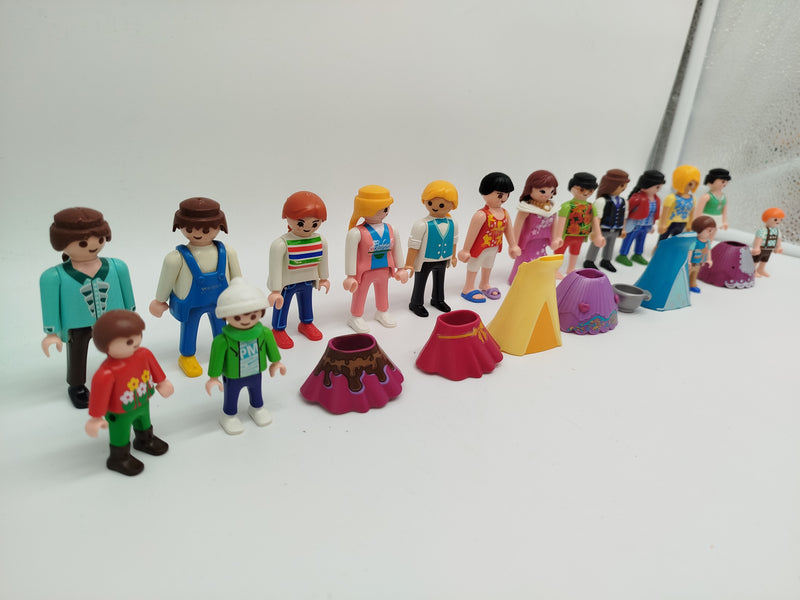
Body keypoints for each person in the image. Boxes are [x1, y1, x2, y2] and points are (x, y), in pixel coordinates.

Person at [40, 207, 135, 408]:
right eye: (82, 243)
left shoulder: (117, 267)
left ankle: (121, 376)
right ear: (61, 243)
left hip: (113, 322)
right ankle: (77, 386)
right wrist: (51, 333)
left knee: (119, 350)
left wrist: (130, 316)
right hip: (77, 326)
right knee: (77, 354)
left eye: (99, 239)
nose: (93, 246)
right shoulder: (54, 276)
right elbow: (50, 304)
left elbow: (128, 296)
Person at [149, 197, 242, 377]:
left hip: (220, 301)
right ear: (180, 227)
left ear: (220, 227)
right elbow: (167, 280)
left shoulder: (227, 252)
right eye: (190, 229)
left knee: (222, 328)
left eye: (206, 229)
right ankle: (187, 356)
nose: (198, 234)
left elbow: (237, 277)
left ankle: (223, 351)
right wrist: (159, 300)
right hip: (191, 304)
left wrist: (240, 295)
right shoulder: (176, 258)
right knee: (189, 329)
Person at [85, 310, 173, 476]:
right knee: (120, 432)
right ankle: (119, 457)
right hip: (120, 412)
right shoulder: (107, 372)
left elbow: (155, 369)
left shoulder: (144, 354)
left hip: (142, 401)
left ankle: (145, 440)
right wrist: (96, 418)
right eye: (129, 341)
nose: (136, 343)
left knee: (144, 421)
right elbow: (99, 394)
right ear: (106, 345)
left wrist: (162, 382)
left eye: (138, 336)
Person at [206, 278, 285, 435]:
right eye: (237, 317)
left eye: (252, 316)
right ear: (226, 316)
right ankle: (228, 415)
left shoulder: (264, 333)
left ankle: (257, 408)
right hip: (233, 376)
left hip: (255, 371)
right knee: (231, 396)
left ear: (260, 312)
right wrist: (213, 377)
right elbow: (217, 358)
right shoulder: (223, 340)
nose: (245, 321)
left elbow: (271, 348)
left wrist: (276, 362)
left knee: (256, 391)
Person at [342, 185, 409, 333]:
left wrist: (401, 268)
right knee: (360, 293)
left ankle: (382, 311)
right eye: (381, 208)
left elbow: (397, 249)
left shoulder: (391, 229)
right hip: (364, 272)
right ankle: (356, 316)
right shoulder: (356, 232)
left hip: (384, 269)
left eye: (386, 208)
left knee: (383, 291)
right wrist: (350, 276)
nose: (384, 212)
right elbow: (350, 255)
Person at [268, 191, 329, 349]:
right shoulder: (281, 244)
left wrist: (323, 278)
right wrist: (275, 290)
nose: (308, 228)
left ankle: (306, 323)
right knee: (282, 305)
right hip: (287, 284)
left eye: (314, 223)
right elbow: (275, 268)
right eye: (301, 223)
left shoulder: (320, 240)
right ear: (288, 218)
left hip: (308, 280)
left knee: (307, 303)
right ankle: (278, 329)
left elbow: (322, 260)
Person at [458, 172, 520, 302]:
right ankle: (468, 288)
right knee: (474, 265)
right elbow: (471, 233)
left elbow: (508, 230)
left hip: (494, 247)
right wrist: (466, 250)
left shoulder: (505, 213)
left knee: (488, 265)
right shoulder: (481, 215)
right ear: (486, 192)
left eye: (507, 195)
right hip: (479, 248)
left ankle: (484, 284)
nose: (504, 198)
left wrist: (513, 245)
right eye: (500, 195)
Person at [403, 180, 459, 317]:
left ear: (452, 205)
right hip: (425, 260)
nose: (435, 207)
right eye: (430, 203)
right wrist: (409, 264)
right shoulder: (421, 224)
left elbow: (453, 241)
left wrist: (453, 256)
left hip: (443, 259)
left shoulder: (453, 223)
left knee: (440, 281)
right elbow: (414, 245)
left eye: (441, 205)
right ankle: (416, 303)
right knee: (420, 282)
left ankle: (438, 300)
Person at [508, 170, 559, 284]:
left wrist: (555, 239)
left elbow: (554, 223)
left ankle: (537, 280)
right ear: (530, 189)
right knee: (525, 262)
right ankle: (519, 282)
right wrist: (513, 245)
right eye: (542, 191)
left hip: (542, 242)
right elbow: (517, 228)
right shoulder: (526, 208)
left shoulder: (552, 207)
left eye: (551, 191)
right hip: (528, 243)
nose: (547, 195)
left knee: (541, 261)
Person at [552, 172, 604, 275]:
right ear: (572, 188)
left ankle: (571, 268)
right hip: (566, 236)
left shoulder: (591, 207)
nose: (586, 193)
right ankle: (555, 269)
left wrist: (598, 235)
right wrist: (558, 237)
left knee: (575, 252)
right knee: (559, 252)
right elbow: (561, 222)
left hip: (580, 236)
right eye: (581, 189)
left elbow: (595, 221)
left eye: (590, 190)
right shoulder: (567, 206)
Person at [616, 170, 666, 266]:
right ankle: (623, 255)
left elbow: (652, 214)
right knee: (629, 239)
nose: (659, 189)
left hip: (645, 225)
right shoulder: (637, 198)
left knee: (641, 240)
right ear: (647, 185)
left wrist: (651, 226)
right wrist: (623, 225)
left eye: (660, 186)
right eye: (657, 186)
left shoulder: (656, 199)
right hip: (634, 225)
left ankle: (638, 254)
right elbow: (626, 211)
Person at [584, 169, 630, 272]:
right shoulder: (601, 201)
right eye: (621, 185)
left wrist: (623, 229)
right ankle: (589, 261)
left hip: (615, 229)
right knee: (596, 244)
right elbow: (596, 218)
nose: (623, 188)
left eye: (624, 186)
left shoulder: (624, 202)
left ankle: (606, 260)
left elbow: (624, 216)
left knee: (610, 245)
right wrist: (595, 232)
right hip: (602, 229)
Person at [657, 165, 701, 242]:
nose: (693, 185)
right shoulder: (671, 198)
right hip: (670, 223)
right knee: (663, 239)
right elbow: (665, 213)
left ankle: (673, 249)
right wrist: (662, 224)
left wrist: (689, 225)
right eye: (690, 183)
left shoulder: (693, 199)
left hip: (683, 223)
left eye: (695, 183)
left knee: (676, 241)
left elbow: (691, 213)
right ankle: (659, 248)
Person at [751, 207, 785, 277]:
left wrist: (778, 247)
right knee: (756, 260)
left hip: (769, 249)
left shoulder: (777, 231)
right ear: (767, 218)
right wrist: (756, 247)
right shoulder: (762, 230)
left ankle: (760, 269)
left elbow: (778, 239)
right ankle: (752, 270)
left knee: (765, 260)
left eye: (780, 219)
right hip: (761, 248)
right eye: (775, 219)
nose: (778, 221)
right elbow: (758, 239)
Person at [689, 216, 716, 293]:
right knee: (688, 274)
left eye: (712, 231)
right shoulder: (695, 241)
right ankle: (682, 285)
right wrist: (688, 261)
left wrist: (709, 259)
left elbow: (708, 250)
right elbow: (690, 251)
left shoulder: (707, 242)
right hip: (692, 263)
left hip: (699, 263)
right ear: (699, 229)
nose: (711, 233)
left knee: (695, 274)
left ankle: (692, 285)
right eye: (709, 230)